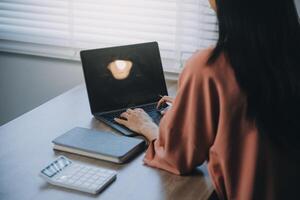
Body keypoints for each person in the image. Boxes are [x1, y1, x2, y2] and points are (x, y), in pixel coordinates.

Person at [115, 0, 300, 199]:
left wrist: (149, 128)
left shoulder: (209, 66)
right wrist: (192, 107)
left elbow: (177, 156)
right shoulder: (288, 57)